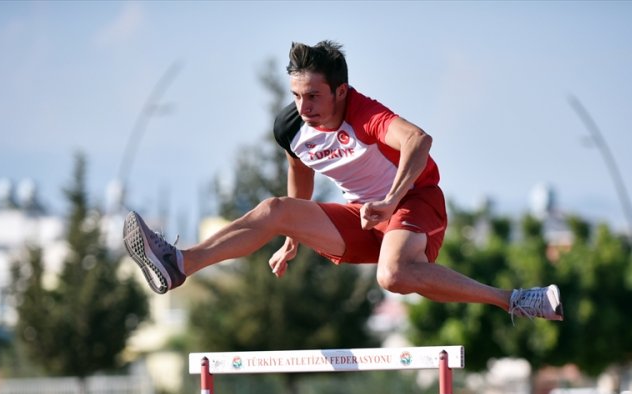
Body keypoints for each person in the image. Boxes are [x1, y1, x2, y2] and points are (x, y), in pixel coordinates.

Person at [123, 40, 563, 321]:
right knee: (275, 209)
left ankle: (512, 299)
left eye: (314, 96)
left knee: (393, 275)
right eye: (297, 96)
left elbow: (418, 140)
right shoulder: (292, 127)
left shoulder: (364, 114)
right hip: (361, 218)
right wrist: (291, 237)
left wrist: (391, 200)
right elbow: (299, 169)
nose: (304, 107)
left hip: (414, 203)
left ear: (340, 91)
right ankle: (180, 265)